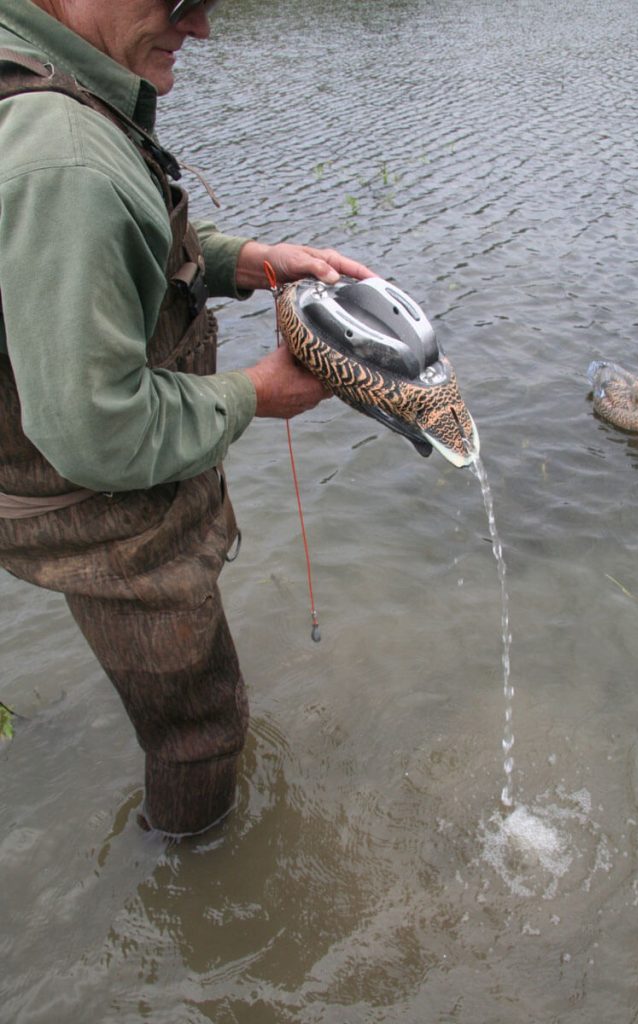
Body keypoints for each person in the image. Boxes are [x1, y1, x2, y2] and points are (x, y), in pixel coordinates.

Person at [0, 0, 372, 837]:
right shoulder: (61, 160)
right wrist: (256, 394)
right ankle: (193, 879)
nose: (200, 27)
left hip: (68, 479)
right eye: (178, 3)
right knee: (198, 730)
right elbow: (95, 427)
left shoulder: (40, 74)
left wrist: (239, 260)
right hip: (96, 515)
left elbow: (106, 243)